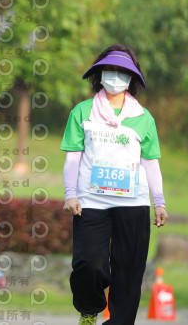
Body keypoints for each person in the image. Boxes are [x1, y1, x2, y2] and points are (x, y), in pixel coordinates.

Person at [60, 44, 169, 325]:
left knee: (129, 271)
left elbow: (151, 163)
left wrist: (159, 202)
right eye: (110, 70)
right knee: (90, 265)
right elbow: (73, 157)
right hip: (91, 202)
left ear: (132, 79)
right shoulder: (82, 112)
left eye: (123, 72)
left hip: (133, 204)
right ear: (99, 74)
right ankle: (88, 310)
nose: (115, 77)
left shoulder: (144, 119)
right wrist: (70, 194)